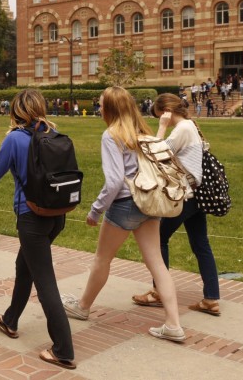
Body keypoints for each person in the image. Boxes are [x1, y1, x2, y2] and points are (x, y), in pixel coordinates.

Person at [0, 89, 76, 370]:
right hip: (57, 215)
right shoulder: (54, 133)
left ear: (16, 111)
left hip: (31, 217)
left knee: (45, 282)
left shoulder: (16, 139)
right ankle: (10, 319)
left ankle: (63, 350)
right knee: (25, 266)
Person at [61, 86, 185, 343]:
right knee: (157, 263)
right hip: (149, 202)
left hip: (125, 204)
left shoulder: (111, 135)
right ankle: (173, 323)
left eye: (101, 103)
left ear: (110, 109)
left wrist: (96, 210)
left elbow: (115, 181)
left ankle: (83, 306)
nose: (99, 107)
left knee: (102, 259)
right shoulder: (143, 132)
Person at [132, 93, 221, 316]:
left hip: (186, 195)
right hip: (196, 194)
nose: (159, 119)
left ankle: (158, 292)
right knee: (201, 244)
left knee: (158, 240)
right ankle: (211, 298)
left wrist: (161, 128)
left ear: (166, 111)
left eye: (159, 115)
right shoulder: (192, 125)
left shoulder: (182, 128)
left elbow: (157, 153)